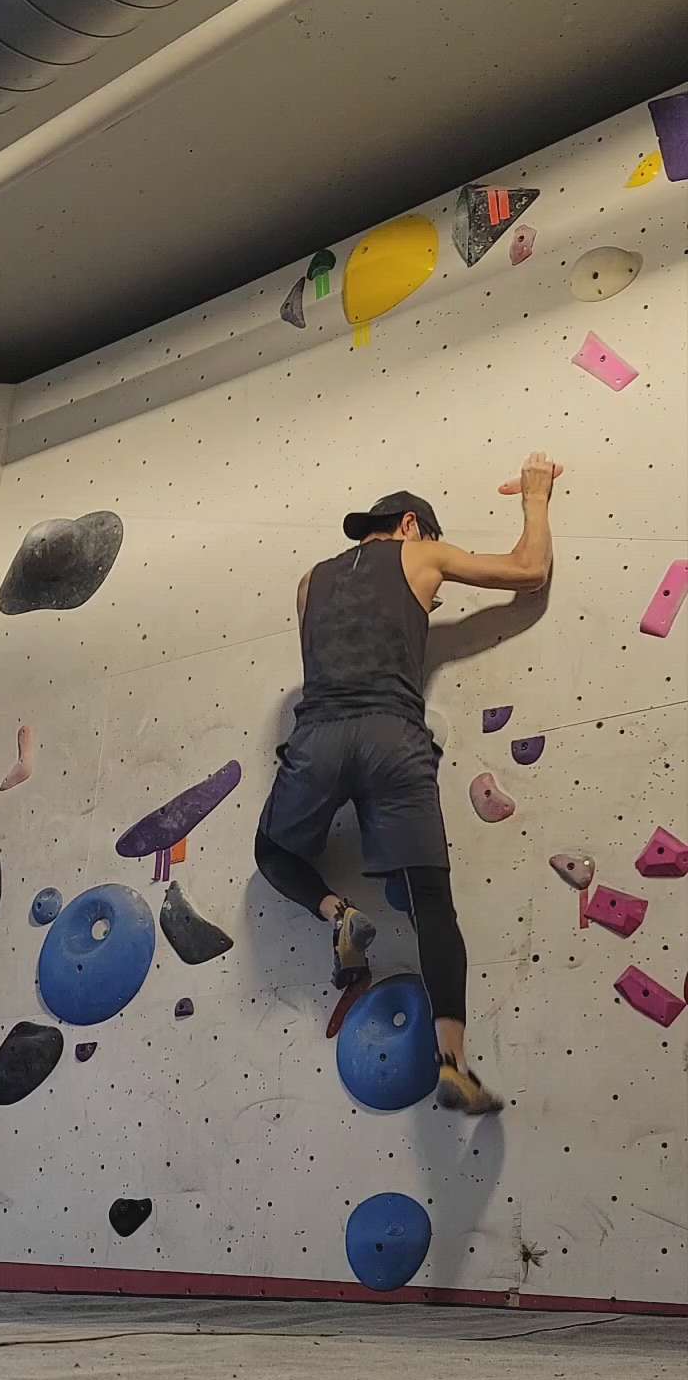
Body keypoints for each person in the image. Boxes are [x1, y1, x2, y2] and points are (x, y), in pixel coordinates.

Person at [255, 450, 560, 1115]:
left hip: (319, 735)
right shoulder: (421, 554)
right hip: (393, 736)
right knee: (430, 902)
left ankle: (338, 913)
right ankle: (453, 1063)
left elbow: (339, 645)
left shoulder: (309, 581)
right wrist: (535, 495)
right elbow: (528, 571)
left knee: (272, 853)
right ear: (412, 526)